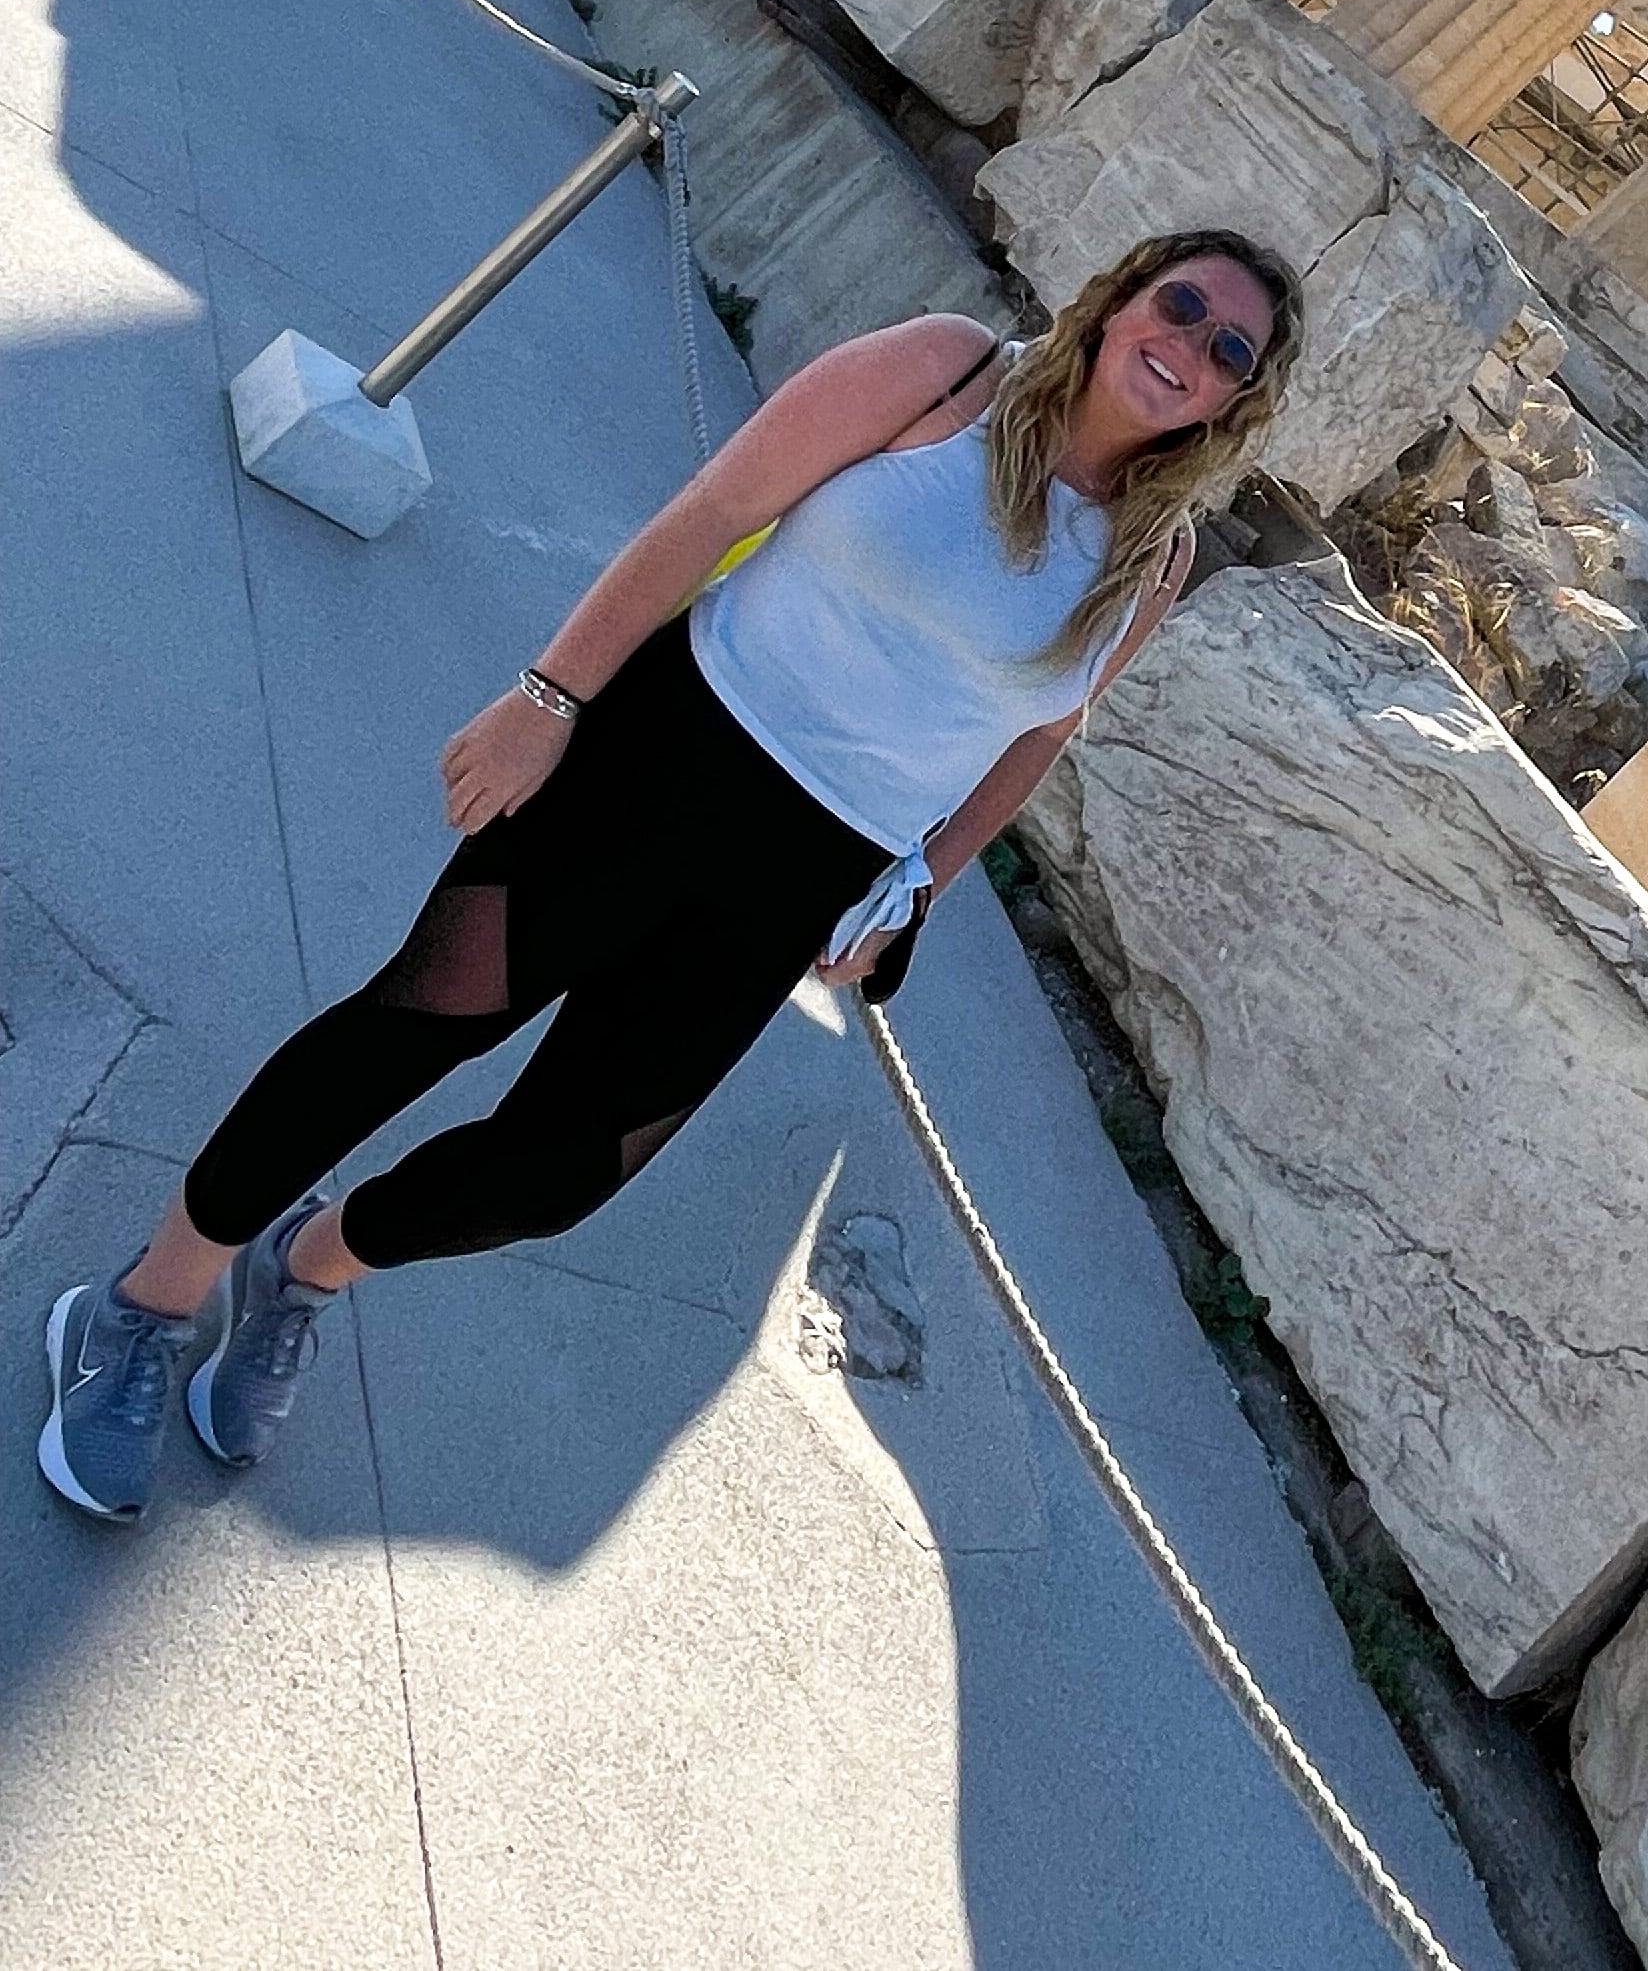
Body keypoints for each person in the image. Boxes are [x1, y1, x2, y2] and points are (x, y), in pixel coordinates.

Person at [37, 232, 1303, 1523]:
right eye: (1180, 302)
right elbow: (715, 510)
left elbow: (1041, 729)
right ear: (1119, 299)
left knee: (559, 1169)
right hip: (664, 749)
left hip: (806, 870)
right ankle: (143, 1302)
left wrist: (921, 879)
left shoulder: (1154, 555)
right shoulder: (950, 371)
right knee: (408, 1033)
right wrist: (546, 693)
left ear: (1233, 399)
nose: (1188, 343)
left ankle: (307, 1264)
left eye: (1226, 348)